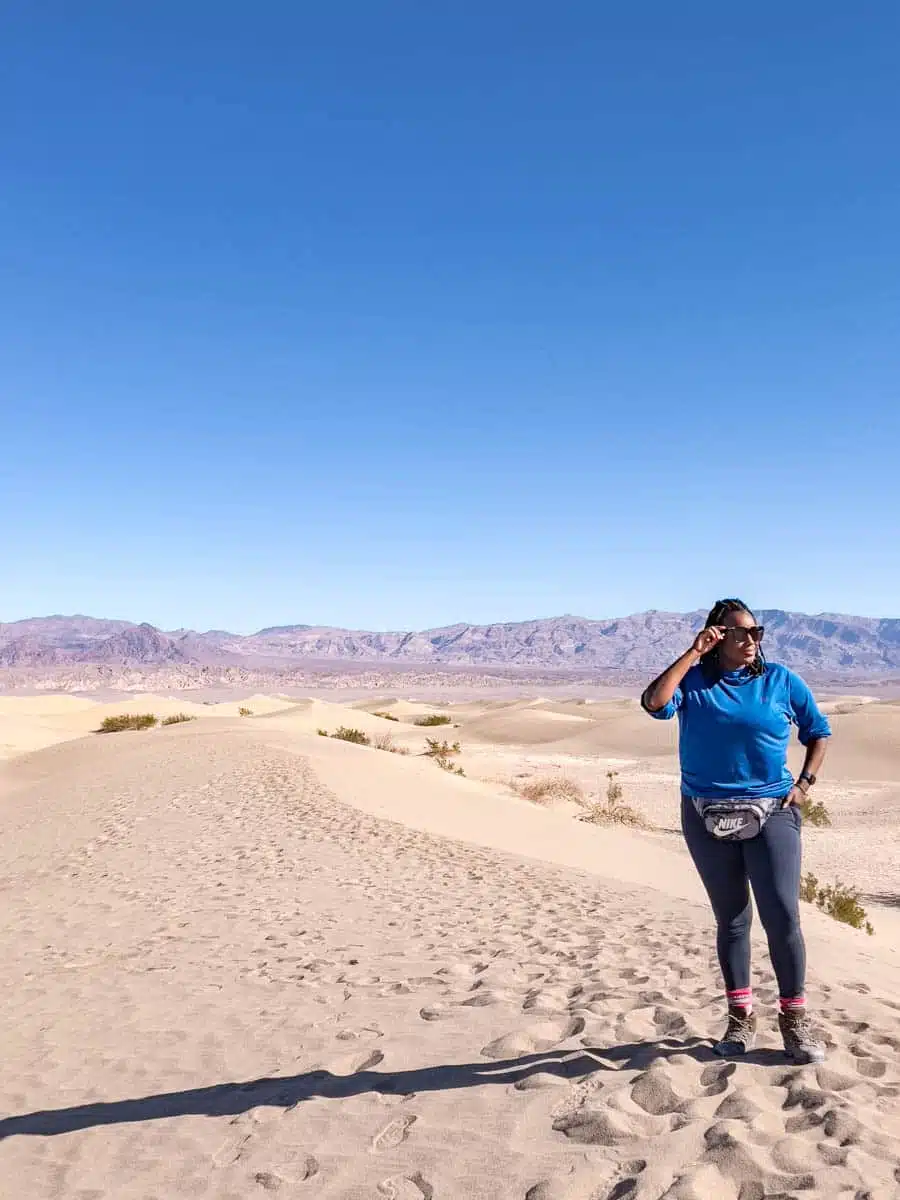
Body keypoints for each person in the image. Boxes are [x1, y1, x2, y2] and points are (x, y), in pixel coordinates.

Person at [641, 598, 831, 1064]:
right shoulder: (696, 682)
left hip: (772, 811)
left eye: (756, 632)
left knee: (783, 915)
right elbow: (654, 702)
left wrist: (804, 784)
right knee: (732, 918)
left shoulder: (780, 680)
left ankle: (794, 1020)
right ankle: (740, 1017)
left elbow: (818, 731)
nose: (751, 640)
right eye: (739, 632)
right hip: (705, 813)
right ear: (717, 636)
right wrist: (692, 653)